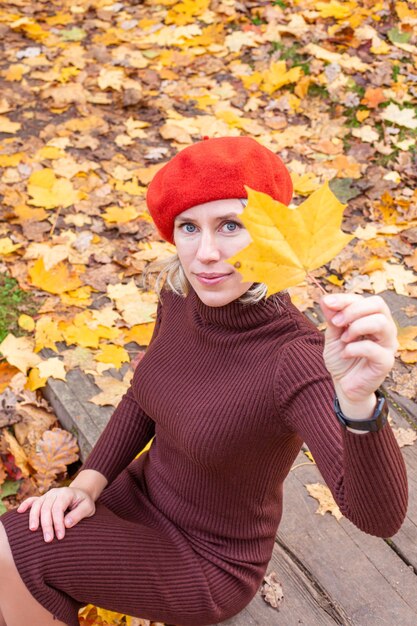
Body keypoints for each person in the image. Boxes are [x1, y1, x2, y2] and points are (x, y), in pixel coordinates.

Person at [0, 136, 408, 626]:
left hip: (208, 560)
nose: (206, 253)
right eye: (189, 227)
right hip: (138, 496)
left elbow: (379, 518)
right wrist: (87, 484)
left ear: (270, 233)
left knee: (17, 554)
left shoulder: (294, 358)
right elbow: (142, 398)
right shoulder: (179, 297)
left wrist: (360, 401)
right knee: (15, 538)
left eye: (231, 225)